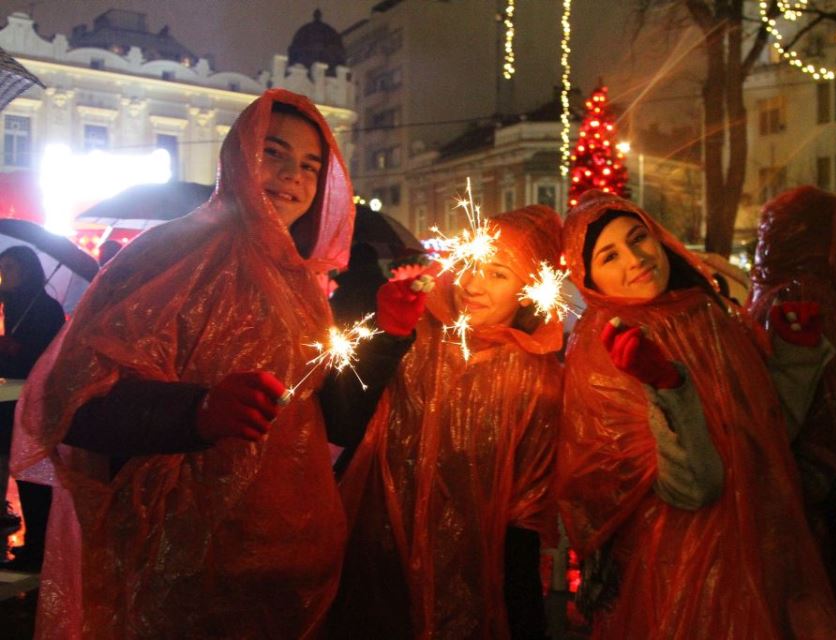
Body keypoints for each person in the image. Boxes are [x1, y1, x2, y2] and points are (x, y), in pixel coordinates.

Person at [10, 89, 423, 638]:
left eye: (309, 166)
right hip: (177, 572)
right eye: (273, 153)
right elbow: (79, 403)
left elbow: (330, 419)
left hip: (285, 571)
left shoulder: (299, 281)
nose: (291, 178)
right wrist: (198, 411)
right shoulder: (169, 254)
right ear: (237, 156)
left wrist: (387, 337)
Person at [556, 191, 836, 639]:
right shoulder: (604, 351)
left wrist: (795, 359)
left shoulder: (708, 313)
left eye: (638, 238)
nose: (635, 260)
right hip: (683, 573)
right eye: (610, 255)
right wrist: (669, 392)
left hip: (764, 556)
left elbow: (766, 435)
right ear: (588, 276)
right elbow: (694, 487)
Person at [329, 205, 565, 639]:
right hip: (371, 566)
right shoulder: (416, 332)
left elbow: (524, 521)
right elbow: (342, 418)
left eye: (498, 273)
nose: (473, 284)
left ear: (529, 288)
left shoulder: (539, 381)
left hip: (470, 587)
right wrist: (386, 335)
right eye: (471, 264)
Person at [749, 186, 836, 639]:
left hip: (802, 474)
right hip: (823, 479)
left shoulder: (774, 293)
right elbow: (832, 392)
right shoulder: (807, 297)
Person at [0, 245, 65, 571]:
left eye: (10, 268)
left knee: (33, 479)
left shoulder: (45, 309)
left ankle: (39, 548)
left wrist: (17, 348)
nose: (5, 275)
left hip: (31, 407)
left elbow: (49, 360)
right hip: (4, 406)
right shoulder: (5, 308)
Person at [329, 241, 387, 324]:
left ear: (351, 259)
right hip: (374, 326)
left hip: (344, 325)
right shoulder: (383, 283)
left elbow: (331, 303)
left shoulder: (342, 280)